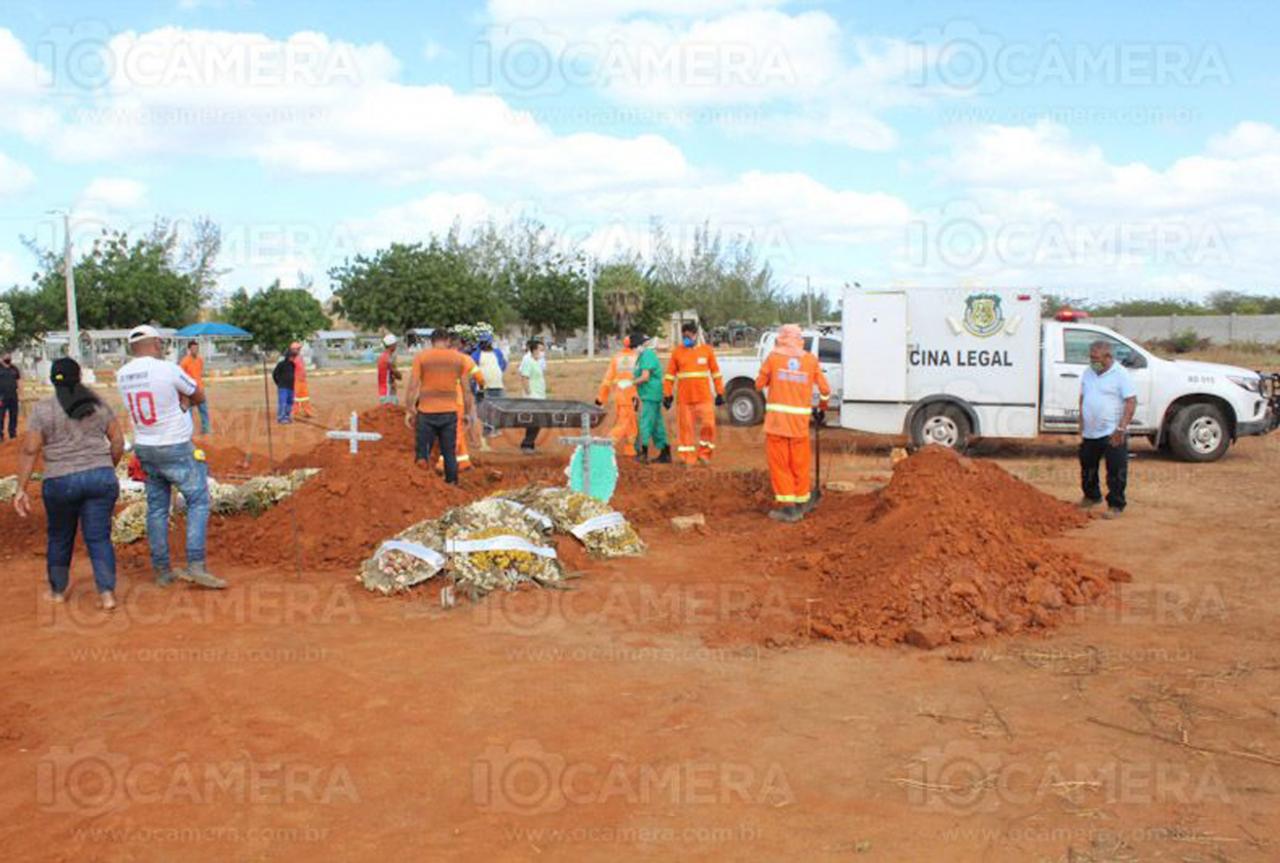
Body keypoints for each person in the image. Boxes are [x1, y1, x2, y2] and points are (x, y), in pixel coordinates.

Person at [116, 324, 225, 589]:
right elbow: (198, 394)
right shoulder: (167, 368)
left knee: (157, 508)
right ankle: (196, 564)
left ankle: (162, 570)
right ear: (154, 344)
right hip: (174, 444)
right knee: (198, 500)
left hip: (145, 446)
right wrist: (185, 403)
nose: (162, 347)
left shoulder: (122, 374)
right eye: (160, 343)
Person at [12, 358, 125, 609]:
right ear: (80, 377)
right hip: (100, 477)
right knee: (99, 538)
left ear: (52, 380)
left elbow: (30, 450)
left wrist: (21, 489)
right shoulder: (98, 404)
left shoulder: (43, 409)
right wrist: (107, 467)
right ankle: (107, 595)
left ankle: (58, 592)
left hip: (60, 480)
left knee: (60, 537)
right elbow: (118, 441)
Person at [755, 324, 831, 522]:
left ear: (781, 337)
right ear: (800, 339)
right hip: (799, 425)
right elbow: (825, 390)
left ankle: (788, 508)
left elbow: (758, 384)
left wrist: (774, 379)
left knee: (780, 465)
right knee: (799, 463)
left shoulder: (773, 358)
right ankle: (801, 501)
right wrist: (822, 408)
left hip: (777, 425)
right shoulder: (810, 360)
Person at [405, 328, 484, 484]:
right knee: (449, 453)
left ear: (431, 341)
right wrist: (467, 413)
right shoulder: (459, 359)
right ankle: (452, 485)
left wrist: (409, 410)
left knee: (422, 453)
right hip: (449, 413)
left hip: (426, 413)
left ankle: (422, 486)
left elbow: (413, 386)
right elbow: (466, 389)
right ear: (448, 341)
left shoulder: (421, 357)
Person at [1079, 339, 1137, 519]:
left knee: (1116, 469)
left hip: (1112, 431)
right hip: (1090, 430)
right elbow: (1082, 396)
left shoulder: (1121, 374)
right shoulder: (1088, 372)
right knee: (1087, 466)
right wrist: (1081, 420)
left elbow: (1131, 401)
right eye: (1090, 357)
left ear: (1108, 357)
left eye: (1096, 358)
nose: (1092, 361)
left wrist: (1120, 428)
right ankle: (1091, 496)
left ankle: (1116, 504)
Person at [662, 321, 725, 465]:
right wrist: (667, 394)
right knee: (685, 430)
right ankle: (687, 458)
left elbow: (716, 373)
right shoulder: (677, 352)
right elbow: (669, 376)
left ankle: (704, 454)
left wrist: (720, 392)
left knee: (708, 425)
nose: (686, 339)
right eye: (684, 336)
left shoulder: (707, 351)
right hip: (684, 400)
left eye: (689, 336)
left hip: (704, 398)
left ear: (696, 335)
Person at [596, 335, 640, 457]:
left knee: (630, 422)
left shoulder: (617, 358)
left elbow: (607, 380)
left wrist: (601, 398)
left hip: (619, 395)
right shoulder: (638, 358)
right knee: (624, 422)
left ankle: (630, 449)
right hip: (631, 395)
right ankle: (606, 445)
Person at [631, 332, 670, 464]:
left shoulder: (646, 355)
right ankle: (665, 452)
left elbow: (645, 376)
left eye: (634, 346)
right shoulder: (643, 356)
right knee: (656, 425)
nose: (633, 349)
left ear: (639, 345)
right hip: (651, 394)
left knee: (645, 423)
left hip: (650, 395)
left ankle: (643, 453)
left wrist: (630, 383)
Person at [518, 338, 547, 453]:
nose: (542, 352)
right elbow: (524, 377)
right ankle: (527, 445)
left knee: (536, 422)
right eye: (540, 350)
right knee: (534, 421)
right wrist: (529, 394)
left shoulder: (536, 362)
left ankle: (530, 444)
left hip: (539, 396)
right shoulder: (528, 361)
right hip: (533, 397)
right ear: (534, 350)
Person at [178, 341, 211, 435]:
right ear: (189, 349)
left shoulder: (200, 360)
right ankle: (189, 432)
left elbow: (199, 373)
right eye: (193, 348)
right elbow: (181, 376)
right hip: (189, 391)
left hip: (200, 389)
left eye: (197, 348)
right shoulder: (184, 362)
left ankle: (206, 430)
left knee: (204, 410)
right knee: (189, 413)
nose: (195, 350)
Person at [471, 332, 508, 398]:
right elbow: (472, 370)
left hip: (498, 386)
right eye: (483, 342)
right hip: (483, 389)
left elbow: (503, 365)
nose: (485, 344)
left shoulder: (497, 352)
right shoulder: (476, 354)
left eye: (486, 342)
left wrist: (497, 373)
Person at [272, 347, 297, 424]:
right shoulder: (281, 364)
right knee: (283, 402)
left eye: (294, 356)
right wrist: (278, 383)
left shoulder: (293, 365)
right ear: (288, 356)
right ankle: (281, 418)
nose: (294, 358)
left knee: (290, 403)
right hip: (283, 387)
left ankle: (287, 416)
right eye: (292, 356)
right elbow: (274, 374)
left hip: (291, 387)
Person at [0, 351, 21, 441]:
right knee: (1, 416)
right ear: (1, 358)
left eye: (9, 357)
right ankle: (0, 435)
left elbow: (18, 380)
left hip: (13, 396)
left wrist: (20, 393)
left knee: (14, 415)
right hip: (1, 396)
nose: (8, 358)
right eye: (6, 357)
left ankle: (12, 433)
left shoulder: (14, 368)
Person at [290, 341, 314, 418]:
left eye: (299, 348)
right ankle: (292, 413)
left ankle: (308, 412)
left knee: (305, 396)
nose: (299, 350)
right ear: (294, 350)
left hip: (302, 380)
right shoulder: (291, 359)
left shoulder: (299, 357)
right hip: (296, 380)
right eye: (298, 349)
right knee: (295, 397)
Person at [377, 334, 402, 404]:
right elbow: (399, 376)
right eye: (395, 344)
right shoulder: (389, 359)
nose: (396, 346)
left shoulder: (381, 357)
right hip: (389, 393)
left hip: (383, 392)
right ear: (392, 345)